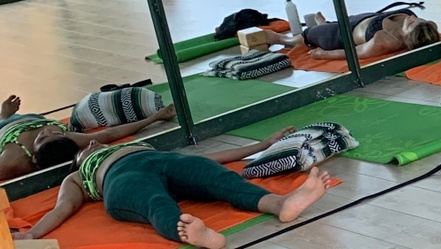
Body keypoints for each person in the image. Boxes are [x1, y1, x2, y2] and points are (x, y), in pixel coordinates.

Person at [11, 131, 331, 249]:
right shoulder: (79, 176)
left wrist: (260, 146)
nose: (93, 142)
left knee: (215, 177)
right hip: (122, 178)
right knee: (154, 202)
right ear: (79, 157)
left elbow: (209, 159)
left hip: (162, 161)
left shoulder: (129, 146)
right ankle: (196, 234)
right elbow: (63, 207)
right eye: (86, 146)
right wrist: (32, 234)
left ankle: (279, 204)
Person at [0, 95, 178, 182]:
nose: (46, 131)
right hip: (18, 121)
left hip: (6, 125)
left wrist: (5, 117)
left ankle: (4, 115)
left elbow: (110, 134)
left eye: (47, 135)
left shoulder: (13, 160)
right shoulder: (67, 139)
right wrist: (155, 117)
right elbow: (109, 134)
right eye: (51, 134)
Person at [256, 3, 440, 61]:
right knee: (335, 22)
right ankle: (325, 23)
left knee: (301, 38)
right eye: (417, 18)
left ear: (407, 37)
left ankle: (282, 39)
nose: (412, 17)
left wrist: (324, 55)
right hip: (366, 18)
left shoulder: (386, 40)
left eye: (411, 23)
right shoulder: (424, 26)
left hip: (340, 35)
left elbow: (356, 53)